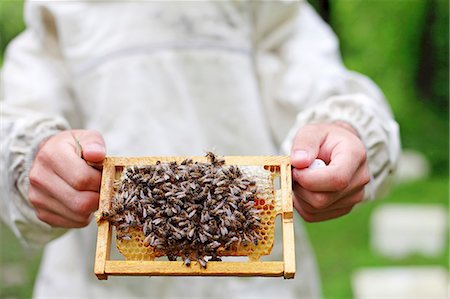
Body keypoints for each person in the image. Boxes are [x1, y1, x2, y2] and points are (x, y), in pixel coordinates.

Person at [0, 1, 400, 298]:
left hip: (255, 282)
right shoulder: (58, 11)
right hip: (93, 286)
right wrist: (35, 156)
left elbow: (320, 81)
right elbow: (16, 119)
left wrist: (342, 132)